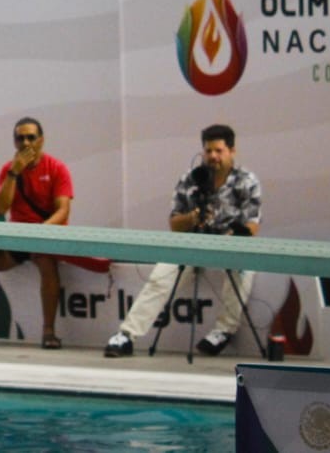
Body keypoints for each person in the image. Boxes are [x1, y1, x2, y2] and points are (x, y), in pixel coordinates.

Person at [103, 124, 261, 359]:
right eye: (208, 151)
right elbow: (174, 223)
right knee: (160, 278)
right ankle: (126, 336)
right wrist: (194, 217)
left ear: (232, 151)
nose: (213, 157)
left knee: (244, 270)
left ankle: (223, 331)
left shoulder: (246, 181)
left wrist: (230, 238)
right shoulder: (191, 179)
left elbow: (252, 226)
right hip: (192, 243)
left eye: (219, 151)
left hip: (231, 245)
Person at [0, 117, 73, 350]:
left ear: (41, 140)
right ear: (14, 142)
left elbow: (63, 210)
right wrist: (13, 174)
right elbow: (0, 208)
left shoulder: (57, 168)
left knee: (48, 264)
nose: (26, 142)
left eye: (31, 137)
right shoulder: (8, 170)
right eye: (21, 138)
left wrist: (42, 232)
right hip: (17, 238)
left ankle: (49, 332)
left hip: (44, 237)